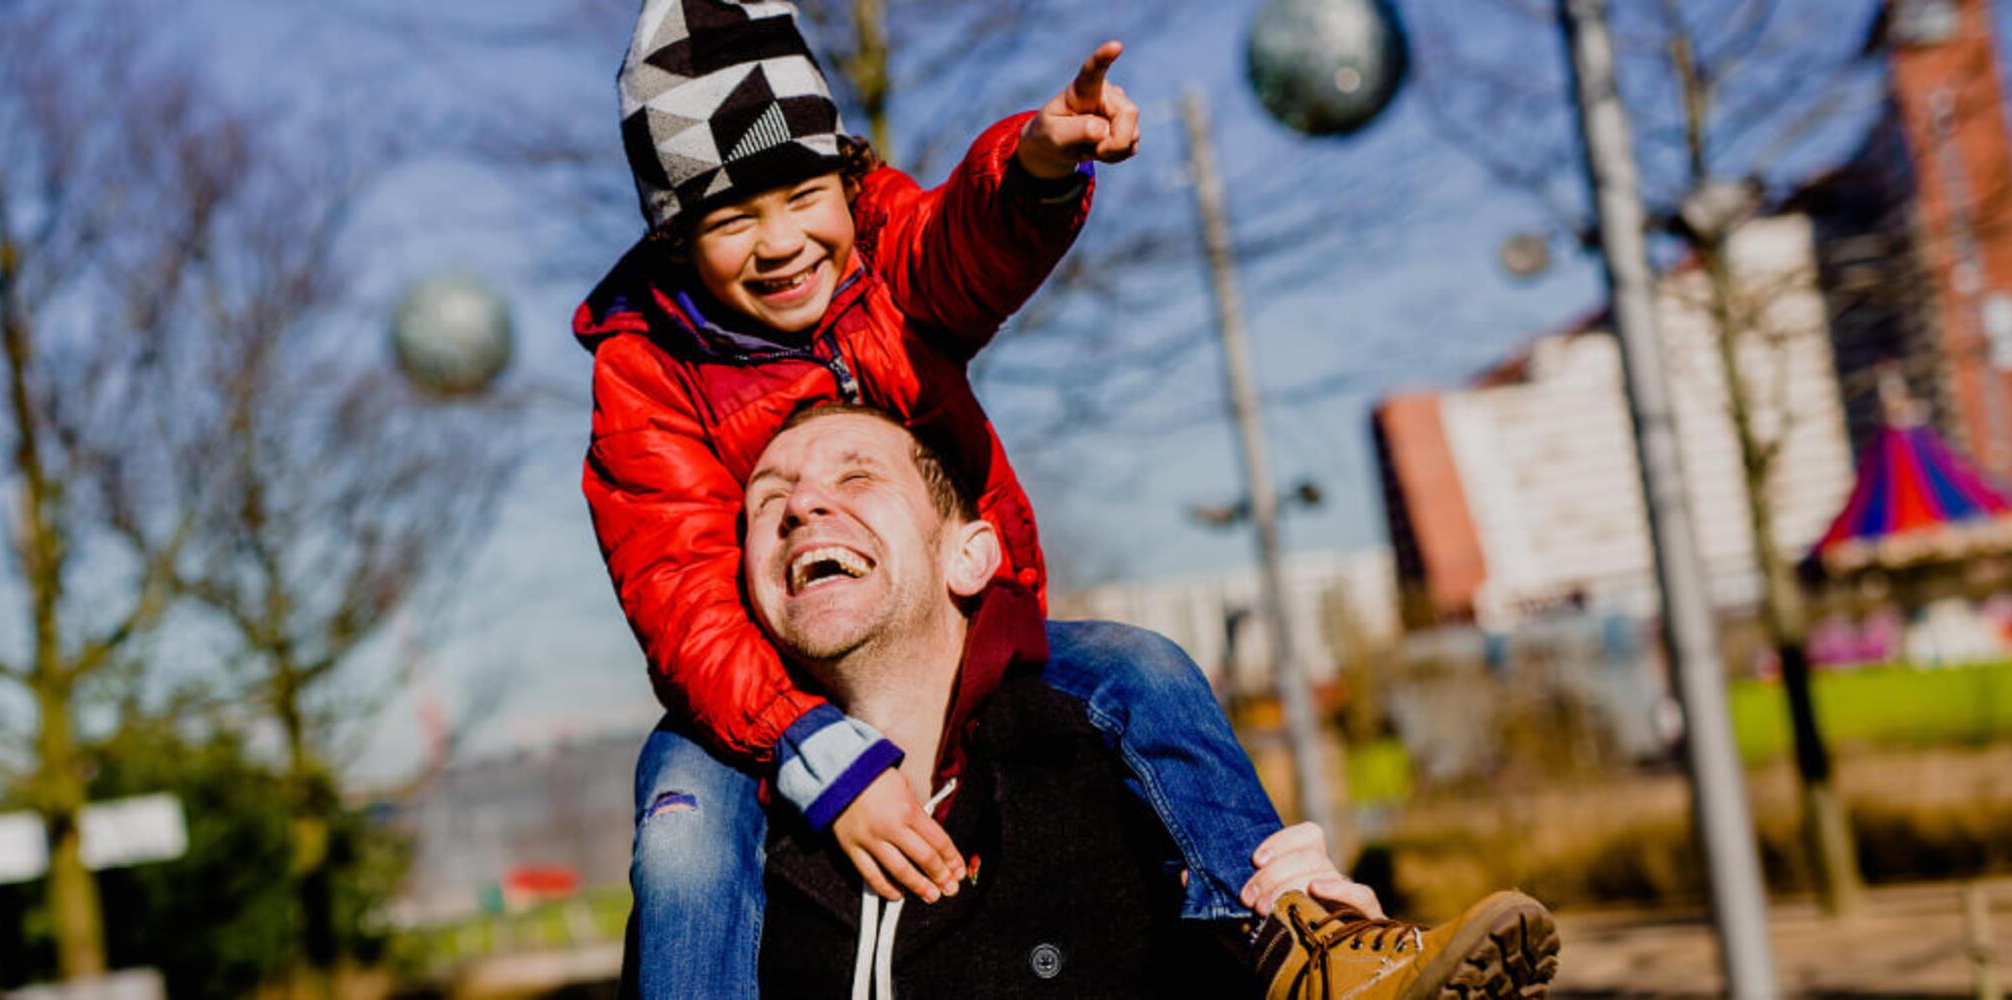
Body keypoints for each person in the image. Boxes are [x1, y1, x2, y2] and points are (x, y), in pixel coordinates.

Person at [573, 1, 1558, 995]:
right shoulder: (647, 368)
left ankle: (1293, 939)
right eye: (732, 220)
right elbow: (679, 591)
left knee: (1140, 666)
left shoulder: (881, 259)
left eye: (802, 196)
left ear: (847, 179)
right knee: (683, 832)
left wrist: (1035, 168)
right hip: (750, 697)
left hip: (967, 632)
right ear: (675, 241)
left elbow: (959, 245)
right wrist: (817, 755)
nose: (781, 241)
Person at [739, 404, 1562, 996]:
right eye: (768, 501)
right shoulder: (724, 841)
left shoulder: (1126, 782)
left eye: (858, 476)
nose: (802, 506)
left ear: (971, 556)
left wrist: (1320, 941)